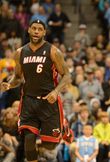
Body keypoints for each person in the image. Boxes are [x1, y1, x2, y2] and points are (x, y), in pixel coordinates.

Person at [0, 19, 73, 162]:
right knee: (28, 140)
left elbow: (67, 75)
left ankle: (62, 126)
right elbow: (17, 76)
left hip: (48, 101)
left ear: (44, 32)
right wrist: (9, 84)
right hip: (29, 101)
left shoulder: (53, 51)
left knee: (50, 145)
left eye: (40, 29)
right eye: (34, 28)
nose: (36, 31)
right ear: (29, 30)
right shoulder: (20, 52)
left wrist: (56, 91)